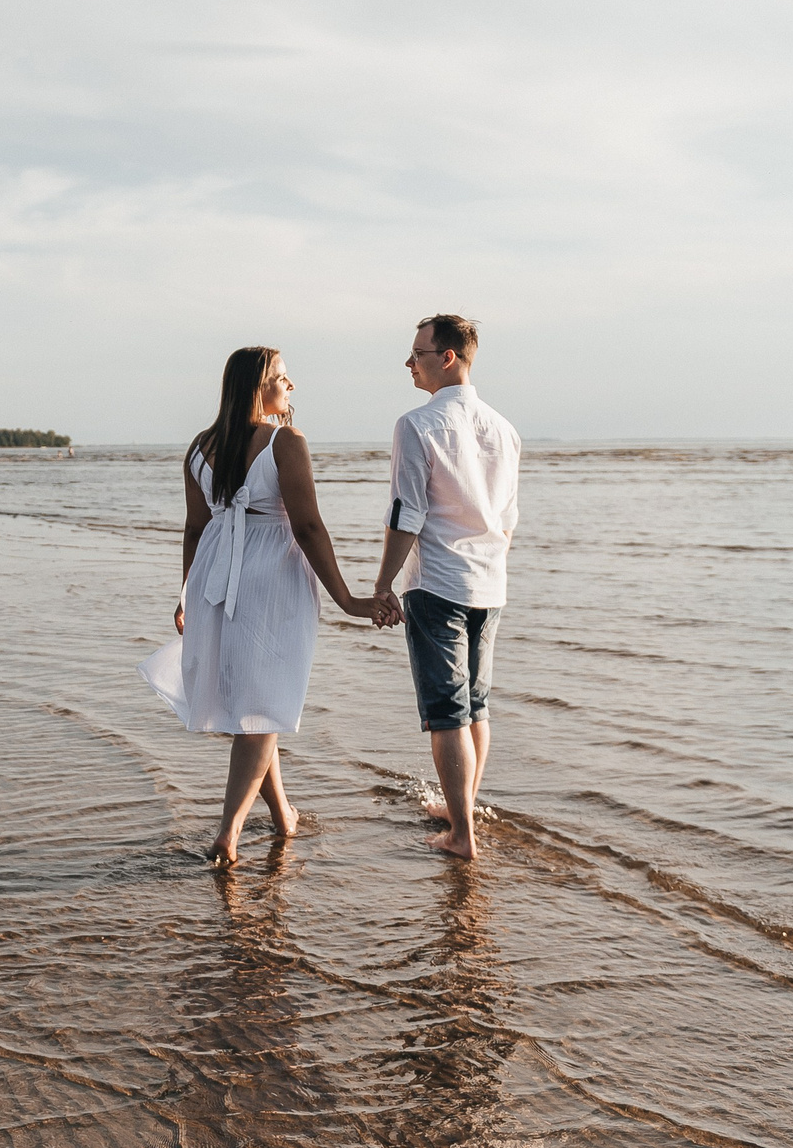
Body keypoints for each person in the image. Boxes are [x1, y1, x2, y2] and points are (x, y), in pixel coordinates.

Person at [142, 346, 394, 863]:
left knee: (259, 707)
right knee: (262, 707)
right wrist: (347, 599)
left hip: (215, 579)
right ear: (260, 387)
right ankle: (228, 835)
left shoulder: (199, 446)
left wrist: (186, 594)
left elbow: (195, 527)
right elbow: (307, 527)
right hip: (269, 580)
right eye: (283, 377)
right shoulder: (285, 442)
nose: (291, 386)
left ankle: (282, 815)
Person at [372, 314, 520, 861]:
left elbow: (406, 514)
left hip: (438, 583)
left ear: (448, 357)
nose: (409, 364)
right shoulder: (504, 429)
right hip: (490, 583)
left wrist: (383, 583)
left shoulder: (415, 425)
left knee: (445, 711)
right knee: (476, 706)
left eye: (417, 354)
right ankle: (463, 806)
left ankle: (461, 834)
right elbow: (508, 518)